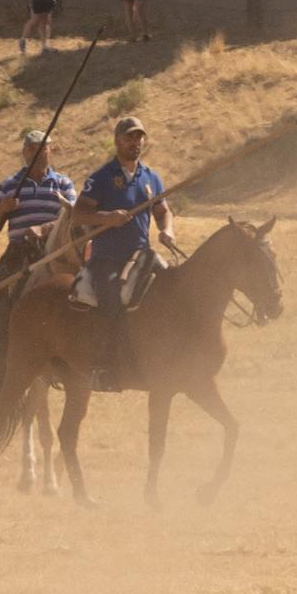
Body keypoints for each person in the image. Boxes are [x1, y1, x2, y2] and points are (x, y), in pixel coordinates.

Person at [73, 117, 175, 391]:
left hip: (142, 255)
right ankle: (104, 367)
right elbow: (78, 214)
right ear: (117, 140)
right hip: (108, 259)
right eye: (130, 137)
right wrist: (107, 218)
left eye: (139, 137)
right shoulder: (101, 178)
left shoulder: (151, 177)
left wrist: (167, 231)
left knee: (174, 289)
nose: (136, 143)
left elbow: (163, 211)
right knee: (111, 303)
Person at [0, 129, 75, 389]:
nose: (38, 154)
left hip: (56, 251)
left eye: (43, 148)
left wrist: (44, 229)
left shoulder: (63, 184)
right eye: (32, 149)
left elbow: (73, 218)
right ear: (25, 152)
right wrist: (2, 208)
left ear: (51, 151)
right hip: (20, 252)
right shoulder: (10, 185)